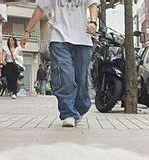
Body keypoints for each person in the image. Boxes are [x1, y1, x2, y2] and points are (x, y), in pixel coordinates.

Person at [22, 0, 99, 128]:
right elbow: (40, 9)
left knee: (81, 79)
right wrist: (27, 31)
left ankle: (79, 109)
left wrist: (93, 22)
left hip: (83, 40)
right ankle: (68, 113)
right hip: (59, 39)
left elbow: (93, 5)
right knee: (65, 77)